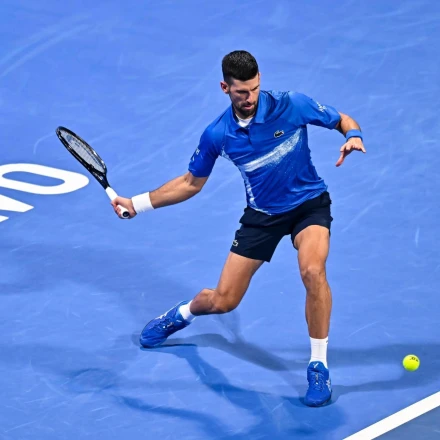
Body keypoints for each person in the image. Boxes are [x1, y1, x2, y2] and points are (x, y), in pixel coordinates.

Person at [111, 50, 365, 407]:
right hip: (262, 216)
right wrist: (136, 204)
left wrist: (353, 134)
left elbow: (342, 119)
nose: (250, 98)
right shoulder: (218, 134)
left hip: (308, 204)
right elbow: (190, 183)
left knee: (312, 271)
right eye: (241, 92)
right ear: (224, 88)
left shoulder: (291, 105)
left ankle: (318, 365)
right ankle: (181, 314)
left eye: (255, 89)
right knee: (223, 301)